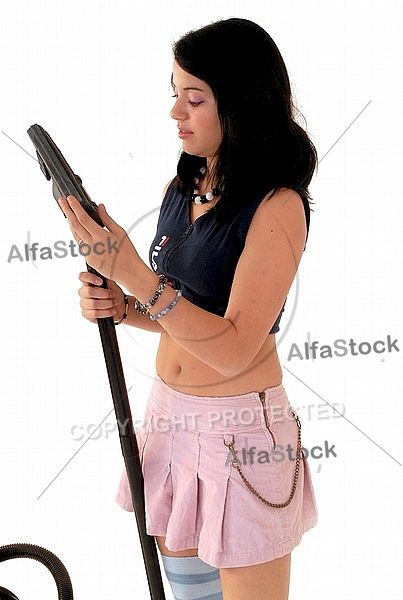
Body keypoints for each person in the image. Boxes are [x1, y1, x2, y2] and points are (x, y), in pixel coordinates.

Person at [59, 17, 318, 600]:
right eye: (173, 94)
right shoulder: (184, 189)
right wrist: (124, 306)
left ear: (242, 102)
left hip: (241, 431)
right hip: (168, 417)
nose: (176, 112)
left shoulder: (277, 207)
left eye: (194, 98)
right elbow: (181, 315)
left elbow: (232, 348)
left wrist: (133, 272)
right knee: (192, 598)